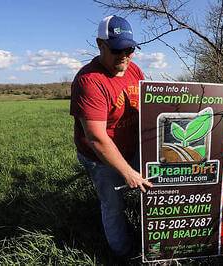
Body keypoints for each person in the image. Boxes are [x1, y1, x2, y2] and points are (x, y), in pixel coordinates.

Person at [70, 15, 153, 258]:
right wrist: (128, 173)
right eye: (117, 50)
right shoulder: (89, 81)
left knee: (152, 188)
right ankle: (124, 254)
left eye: (130, 49)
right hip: (99, 157)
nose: (125, 56)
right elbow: (96, 138)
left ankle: (153, 244)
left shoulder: (133, 69)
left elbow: (148, 103)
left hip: (131, 147)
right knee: (113, 205)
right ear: (101, 45)